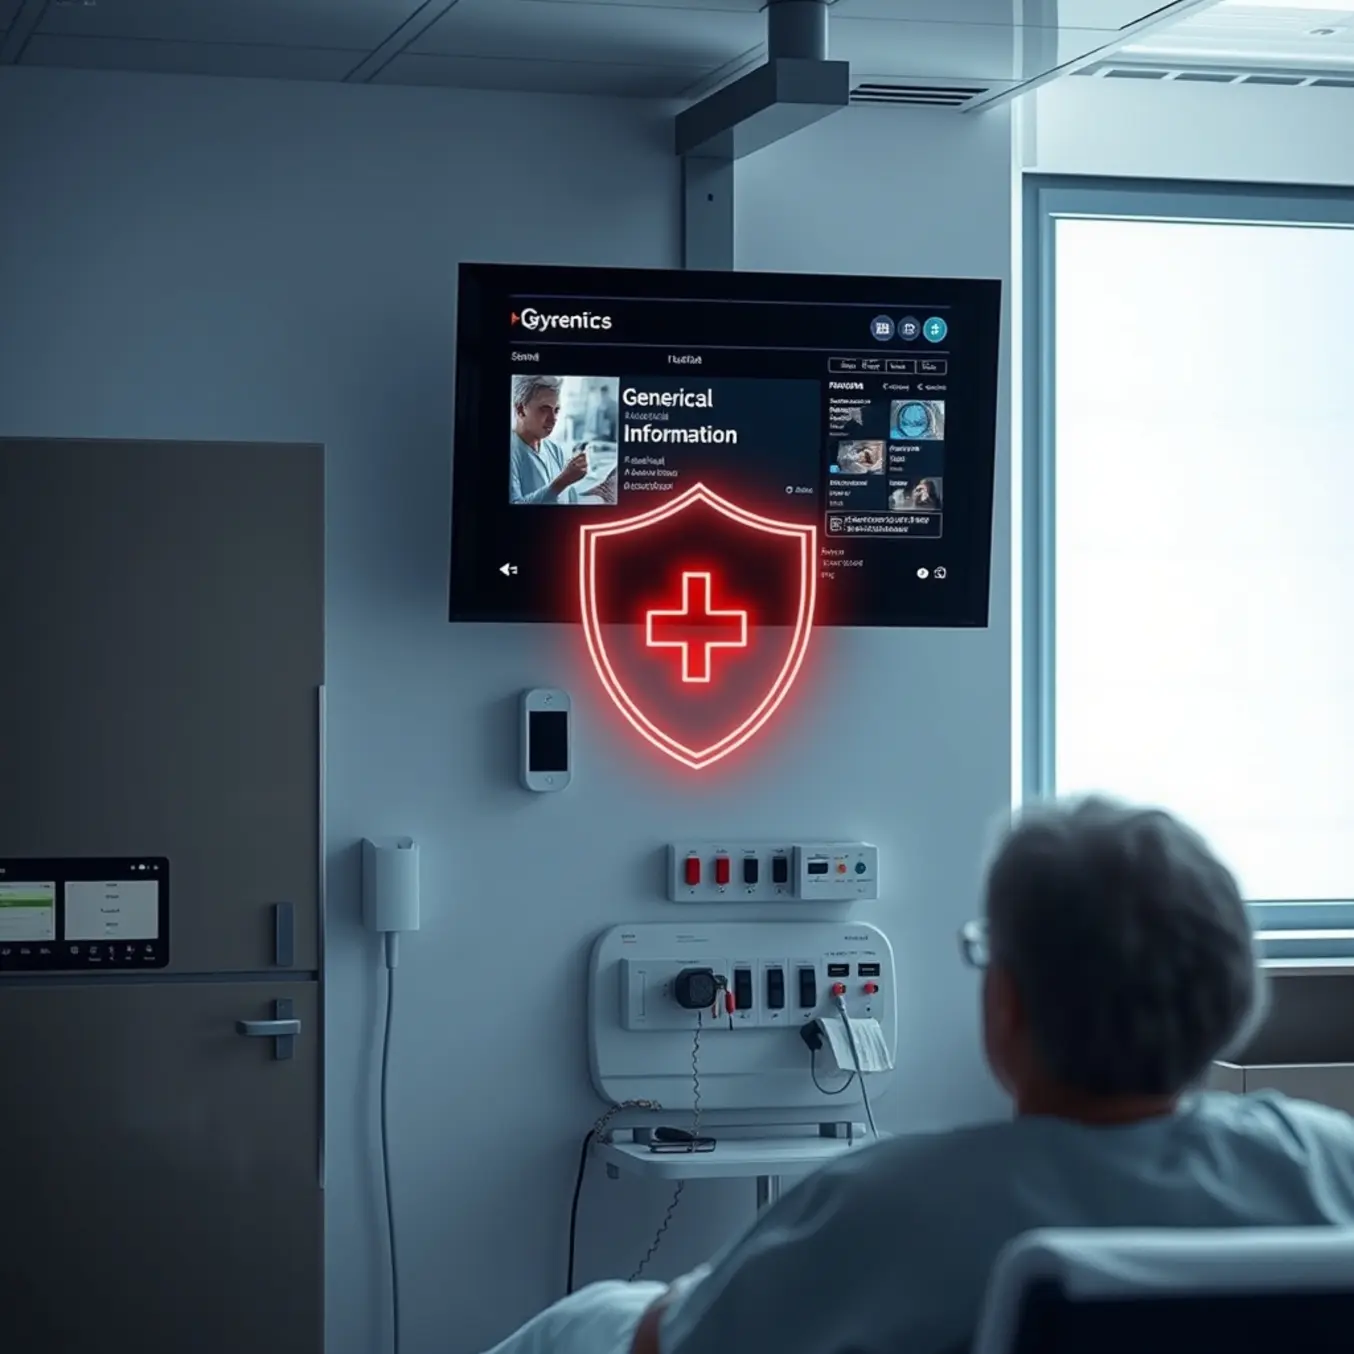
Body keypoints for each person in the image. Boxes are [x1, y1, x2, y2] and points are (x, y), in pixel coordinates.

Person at [482, 797, 1354, 1354]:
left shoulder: (884, 1208)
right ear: (1231, 991)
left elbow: (664, 1346)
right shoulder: (1328, 1167)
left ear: (1007, 1005)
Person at [509, 375, 617, 505]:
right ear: (521, 410)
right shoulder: (511, 453)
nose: (553, 418)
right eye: (545, 409)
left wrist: (599, 493)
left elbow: (566, 500)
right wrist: (563, 480)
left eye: (556, 410)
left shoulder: (554, 450)